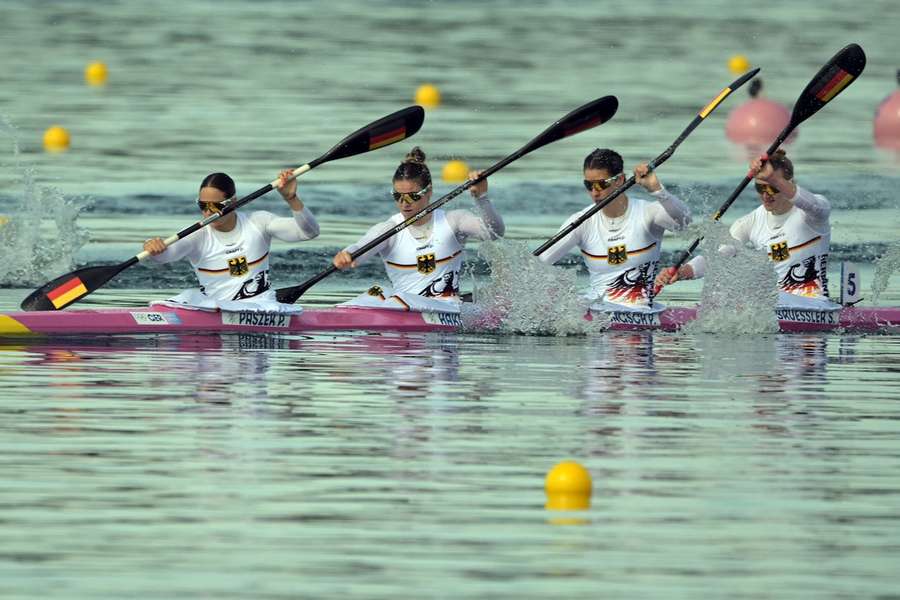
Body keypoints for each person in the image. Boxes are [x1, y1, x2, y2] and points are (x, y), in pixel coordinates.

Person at [656, 150, 839, 310]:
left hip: (814, 303)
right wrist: (682, 272)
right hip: (773, 306)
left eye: (773, 187)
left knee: (749, 295)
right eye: (760, 187)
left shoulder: (813, 213)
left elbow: (817, 206)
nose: (766, 194)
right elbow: (717, 258)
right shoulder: (750, 221)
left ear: (789, 182)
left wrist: (773, 177)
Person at [332, 147, 504, 313]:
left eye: (412, 196)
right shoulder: (388, 229)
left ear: (429, 191)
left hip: (448, 308)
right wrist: (347, 255)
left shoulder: (453, 221)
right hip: (404, 307)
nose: (404, 203)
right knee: (377, 292)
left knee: (392, 297)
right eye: (398, 196)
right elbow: (360, 248)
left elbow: (494, 232)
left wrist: (481, 197)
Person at [538, 148, 691, 313]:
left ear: (620, 180)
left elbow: (684, 222)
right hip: (594, 307)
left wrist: (657, 190)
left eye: (601, 184)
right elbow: (539, 262)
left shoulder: (648, 214)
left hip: (640, 310)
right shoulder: (581, 221)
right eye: (588, 185)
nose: (594, 192)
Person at [143, 170, 320, 312]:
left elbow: (309, 232)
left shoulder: (258, 222)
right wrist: (153, 246)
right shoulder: (197, 234)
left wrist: (291, 198)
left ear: (233, 202)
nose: (207, 213)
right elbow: (164, 256)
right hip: (213, 308)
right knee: (187, 296)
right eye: (203, 206)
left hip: (259, 307)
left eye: (215, 206)